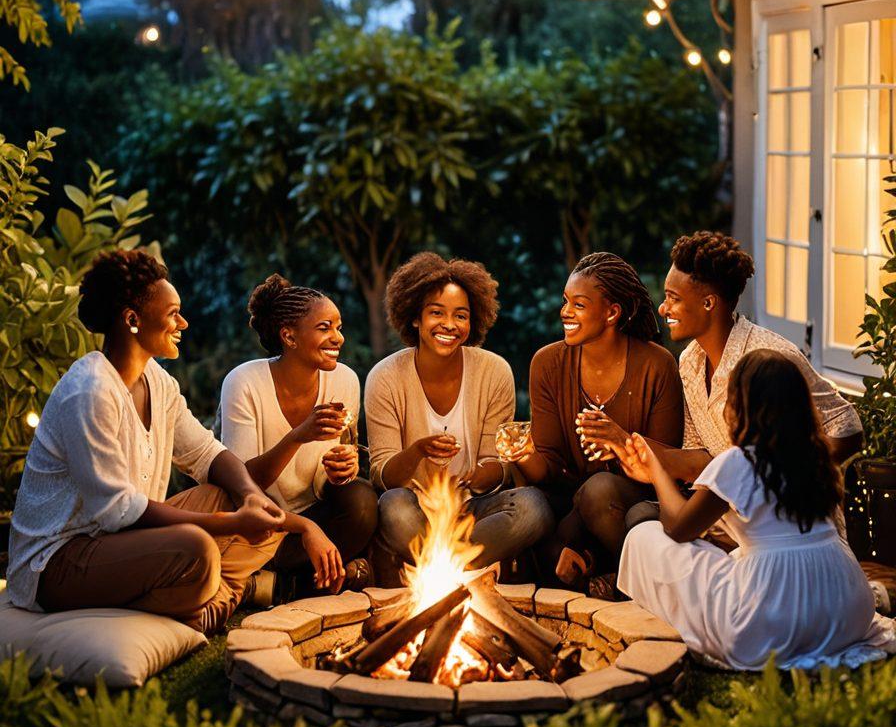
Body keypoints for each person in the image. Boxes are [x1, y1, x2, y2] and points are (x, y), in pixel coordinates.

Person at [7, 251, 287, 634]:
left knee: (265, 507)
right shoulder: (90, 392)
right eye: (173, 312)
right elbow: (118, 511)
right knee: (198, 549)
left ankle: (211, 598)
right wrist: (227, 524)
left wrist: (249, 497)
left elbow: (205, 453)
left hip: (125, 543)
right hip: (59, 561)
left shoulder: (157, 380)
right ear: (132, 320)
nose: (183, 322)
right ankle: (201, 599)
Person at [616, 350, 896, 670]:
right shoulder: (814, 456)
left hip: (771, 618)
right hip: (846, 604)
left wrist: (656, 473)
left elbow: (679, 527)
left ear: (739, 407)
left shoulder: (740, 461)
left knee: (644, 535)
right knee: (733, 558)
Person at [583, 231, 862, 483]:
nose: (662, 308)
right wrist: (624, 442)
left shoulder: (770, 356)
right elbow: (698, 455)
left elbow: (846, 424)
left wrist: (787, 483)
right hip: (722, 514)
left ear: (708, 303)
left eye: (673, 298)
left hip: (782, 525)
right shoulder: (689, 362)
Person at [365, 252, 553, 584]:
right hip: (416, 510)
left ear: (473, 321)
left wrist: (479, 475)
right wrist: (419, 450)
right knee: (393, 508)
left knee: (533, 507)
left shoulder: (494, 372)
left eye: (461, 316)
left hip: (475, 511)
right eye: (436, 313)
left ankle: (437, 570)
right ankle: (470, 570)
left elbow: (497, 464)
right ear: (414, 319)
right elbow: (384, 477)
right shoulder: (386, 377)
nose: (449, 325)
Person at [510, 252, 684, 587]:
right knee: (540, 520)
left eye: (578, 304)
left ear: (612, 312)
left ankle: (633, 583)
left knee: (599, 492)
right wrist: (523, 455)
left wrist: (622, 443)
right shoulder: (547, 364)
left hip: (627, 503)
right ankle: (588, 566)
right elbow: (547, 469)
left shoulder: (656, 365)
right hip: (566, 504)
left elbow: (669, 468)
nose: (565, 312)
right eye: (565, 301)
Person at [217, 274, 378, 600]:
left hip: (313, 516)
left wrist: (341, 471)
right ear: (289, 336)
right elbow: (243, 487)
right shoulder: (244, 382)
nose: (338, 338)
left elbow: (334, 471)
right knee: (240, 529)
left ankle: (273, 586)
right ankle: (305, 583)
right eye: (324, 328)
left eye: (339, 327)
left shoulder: (344, 379)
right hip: (255, 523)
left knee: (362, 501)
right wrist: (297, 436)